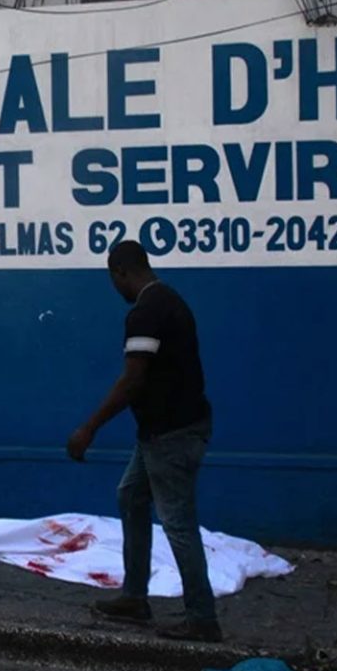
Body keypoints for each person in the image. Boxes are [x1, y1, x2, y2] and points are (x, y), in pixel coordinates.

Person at [66, 239, 221, 642]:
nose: (114, 288)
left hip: (171, 434)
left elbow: (134, 379)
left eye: (113, 279)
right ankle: (135, 597)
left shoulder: (146, 313)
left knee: (178, 523)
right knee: (131, 497)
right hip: (165, 430)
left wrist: (90, 427)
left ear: (120, 272)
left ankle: (202, 617)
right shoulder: (171, 301)